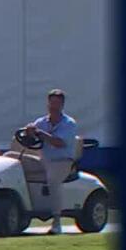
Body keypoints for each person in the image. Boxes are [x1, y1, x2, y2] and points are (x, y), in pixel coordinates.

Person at [19, 88, 80, 234]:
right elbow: (32, 139)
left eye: (57, 103)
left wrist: (40, 133)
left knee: (52, 179)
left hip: (63, 162)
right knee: (12, 158)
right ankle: (18, 207)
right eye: (51, 103)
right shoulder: (41, 122)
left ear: (62, 105)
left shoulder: (69, 123)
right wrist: (29, 132)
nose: (53, 106)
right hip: (44, 160)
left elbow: (59, 143)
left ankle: (57, 221)